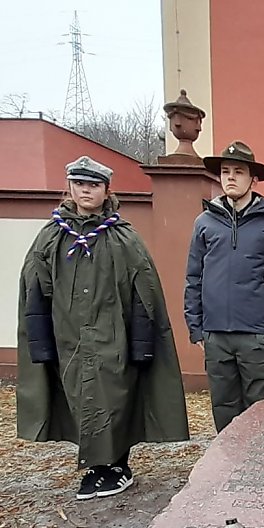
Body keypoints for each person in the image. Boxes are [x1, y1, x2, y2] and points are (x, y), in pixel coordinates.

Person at [17, 156, 189, 500]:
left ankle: (117, 466)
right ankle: (95, 468)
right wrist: (42, 343)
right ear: (69, 187)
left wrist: (142, 343)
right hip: (70, 340)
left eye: (93, 185)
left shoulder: (123, 238)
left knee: (114, 401)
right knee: (80, 401)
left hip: (114, 340)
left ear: (106, 190)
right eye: (79, 184)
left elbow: (145, 292)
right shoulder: (51, 237)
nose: (86, 191)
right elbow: (34, 290)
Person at [184, 141, 264, 432]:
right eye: (225, 172)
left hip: (257, 334)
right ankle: (226, 459)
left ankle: (258, 459)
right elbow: (194, 278)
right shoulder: (204, 223)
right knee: (223, 408)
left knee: (260, 411)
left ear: (253, 179)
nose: (231, 178)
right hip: (216, 334)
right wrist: (196, 327)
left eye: (238, 172)